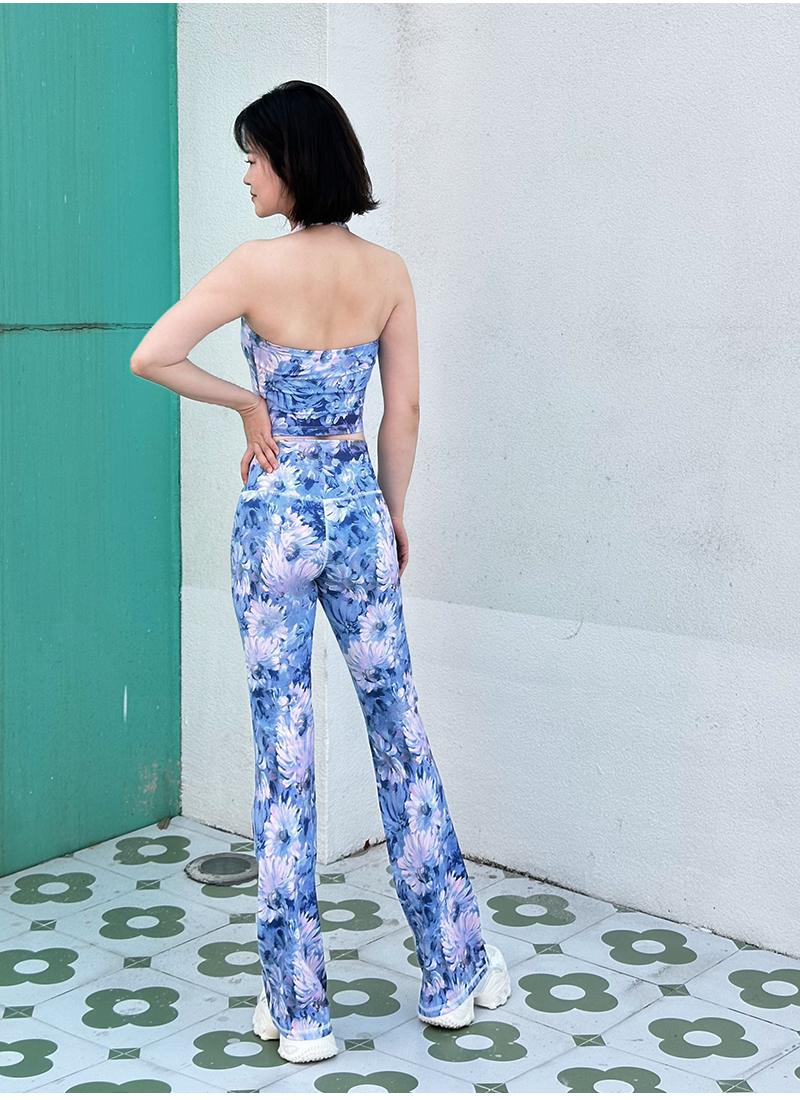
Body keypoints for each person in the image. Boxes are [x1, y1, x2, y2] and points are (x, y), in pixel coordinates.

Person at [130, 79, 509, 1067]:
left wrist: (247, 406)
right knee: (400, 733)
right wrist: (392, 511)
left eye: (254, 158)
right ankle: (454, 974)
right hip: (355, 515)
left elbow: (153, 354)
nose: (247, 175)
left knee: (283, 757)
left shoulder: (253, 267)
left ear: (292, 162)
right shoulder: (386, 271)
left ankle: (299, 1010)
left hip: (273, 523)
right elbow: (404, 411)